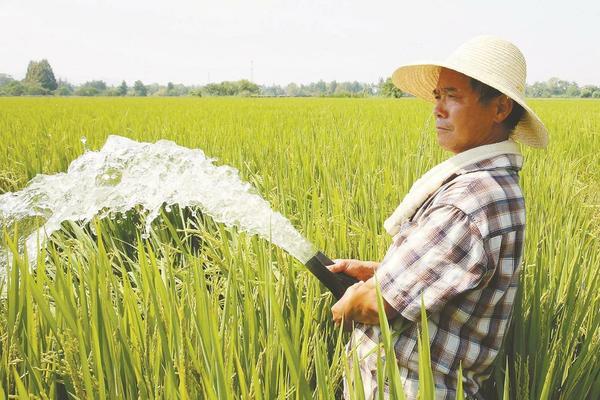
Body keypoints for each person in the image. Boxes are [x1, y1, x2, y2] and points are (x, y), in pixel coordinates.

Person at [328, 36, 549, 399]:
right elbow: (447, 281)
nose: (438, 109)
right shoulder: (494, 186)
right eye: (437, 96)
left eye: (453, 96)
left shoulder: (469, 201)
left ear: (500, 108)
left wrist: (352, 302)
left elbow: (376, 305)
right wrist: (377, 273)